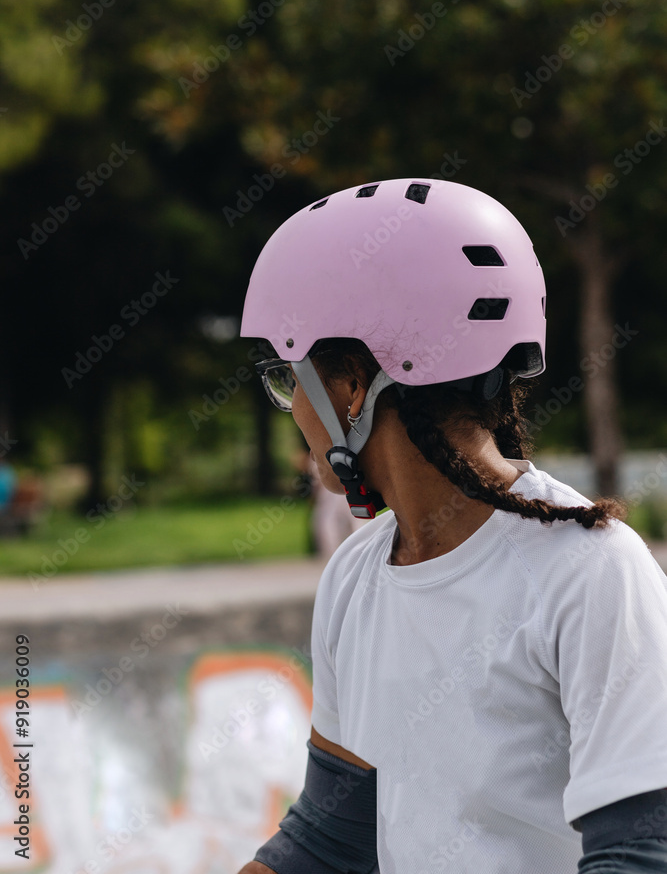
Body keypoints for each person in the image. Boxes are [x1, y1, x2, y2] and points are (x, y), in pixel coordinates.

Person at [237, 178, 667, 873]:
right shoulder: (355, 576)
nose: (293, 410)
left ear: (351, 386)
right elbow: (330, 840)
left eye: (291, 379)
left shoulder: (589, 572)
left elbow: (640, 853)